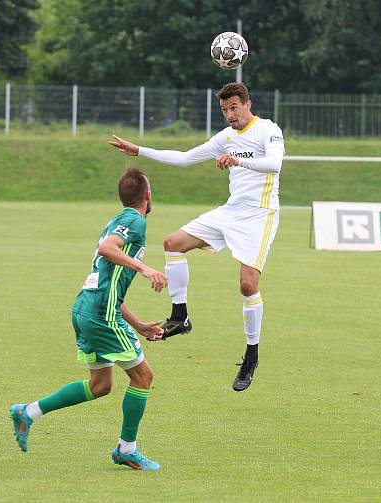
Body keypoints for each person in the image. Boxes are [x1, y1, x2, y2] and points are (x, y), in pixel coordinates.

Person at [109, 82, 284, 392]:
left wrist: (237, 160)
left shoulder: (268, 130)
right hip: (231, 211)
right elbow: (185, 157)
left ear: (247, 104)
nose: (229, 115)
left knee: (247, 285)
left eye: (234, 108)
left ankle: (251, 356)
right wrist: (138, 150)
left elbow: (275, 163)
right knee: (172, 243)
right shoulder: (226, 138)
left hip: (260, 215)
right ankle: (180, 316)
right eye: (224, 110)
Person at [9, 168, 168, 471]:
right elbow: (107, 250)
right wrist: (145, 269)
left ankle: (28, 413)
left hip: (86, 307)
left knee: (100, 385)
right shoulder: (134, 219)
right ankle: (127, 449)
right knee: (143, 377)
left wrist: (138, 326)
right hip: (99, 314)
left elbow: (107, 282)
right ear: (147, 196)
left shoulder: (116, 222)